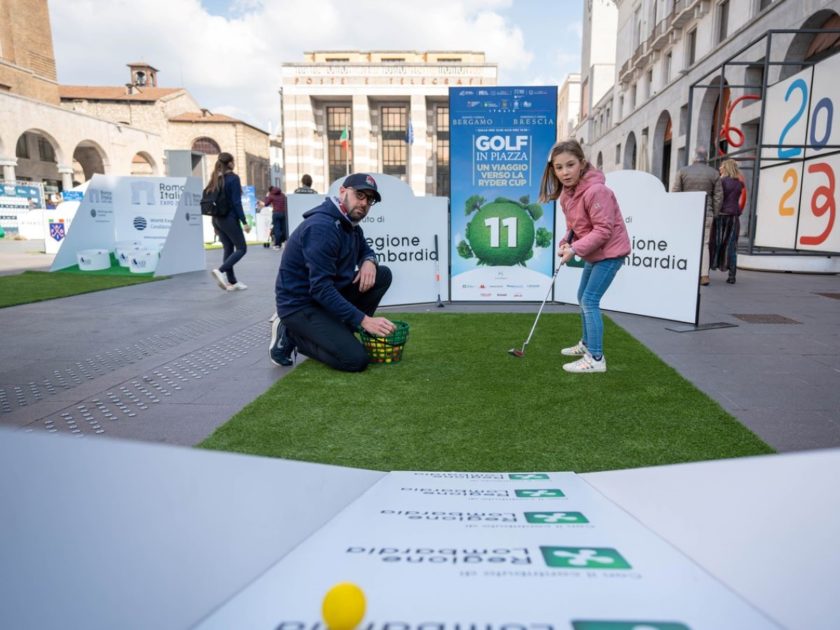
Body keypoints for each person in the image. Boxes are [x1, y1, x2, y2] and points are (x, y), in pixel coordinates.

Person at [269, 173, 395, 372]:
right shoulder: (322, 228)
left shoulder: (350, 223)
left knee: (382, 275)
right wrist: (365, 321)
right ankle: (291, 334)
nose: (364, 203)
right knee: (356, 360)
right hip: (300, 305)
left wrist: (369, 261)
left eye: (370, 200)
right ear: (343, 192)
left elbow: (366, 250)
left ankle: (336, 335)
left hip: (322, 298)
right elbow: (320, 289)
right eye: (360, 195)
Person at [538, 139, 631, 374]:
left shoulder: (597, 191)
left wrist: (575, 250)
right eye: (559, 168)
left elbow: (603, 230)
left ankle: (596, 358)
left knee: (589, 300)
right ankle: (587, 344)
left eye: (570, 165)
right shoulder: (566, 196)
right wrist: (565, 242)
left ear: (582, 163)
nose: (565, 172)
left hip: (610, 254)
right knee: (583, 296)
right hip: (595, 253)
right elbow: (575, 227)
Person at [671, 146, 723, 286]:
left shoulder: (683, 171)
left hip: (687, 214)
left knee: (686, 242)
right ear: (706, 157)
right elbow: (718, 196)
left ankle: (686, 270)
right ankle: (704, 275)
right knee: (704, 244)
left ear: (694, 157)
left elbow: (675, 193)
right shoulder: (714, 173)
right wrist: (715, 213)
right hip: (707, 213)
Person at [205, 152, 250, 291]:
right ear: (230, 163)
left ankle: (232, 282)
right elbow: (236, 203)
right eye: (234, 161)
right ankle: (221, 271)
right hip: (229, 218)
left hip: (217, 219)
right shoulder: (233, 178)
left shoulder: (216, 179)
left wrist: (215, 223)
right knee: (242, 248)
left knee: (229, 249)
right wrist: (244, 222)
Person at [710, 159, 745, 285]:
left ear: (726, 168)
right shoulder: (739, 184)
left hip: (721, 216)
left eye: (721, 166)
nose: (719, 168)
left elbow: (717, 198)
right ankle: (732, 276)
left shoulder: (721, 182)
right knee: (731, 246)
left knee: (714, 243)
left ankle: (708, 270)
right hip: (734, 217)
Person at [259, 185, 288, 249]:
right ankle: (285, 242)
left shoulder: (271, 195)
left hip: (276, 213)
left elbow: (266, 204)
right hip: (284, 213)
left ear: (270, 191)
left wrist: (267, 196)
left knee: (277, 229)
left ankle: (278, 244)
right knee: (284, 228)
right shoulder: (282, 194)